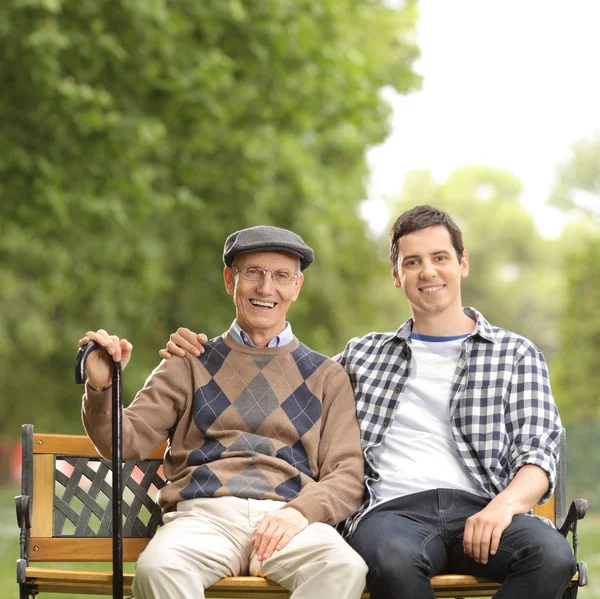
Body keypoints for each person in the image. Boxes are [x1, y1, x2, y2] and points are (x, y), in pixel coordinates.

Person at [162, 205, 577, 599]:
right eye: (412, 262)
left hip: (485, 509)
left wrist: (503, 507)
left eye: (439, 257)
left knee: (553, 557)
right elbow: (278, 362)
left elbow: (538, 455)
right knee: (389, 561)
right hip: (391, 515)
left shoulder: (515, 354)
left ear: (463, 263)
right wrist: (205, 351)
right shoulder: (362, 356)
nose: (427, 271)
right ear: (396, 275)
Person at [79, 225, 367, 599]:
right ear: (230, 280)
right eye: (253, 273)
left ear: (297, 287)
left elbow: (347, 473)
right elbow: (122, 441)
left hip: (290, 519)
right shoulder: (188, 362)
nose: (266, 288)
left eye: (281, 276)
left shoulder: (328, 376)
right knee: (158, 568)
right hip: (205, 517)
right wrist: (103, 387)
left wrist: (301, 511)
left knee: (344, 567)